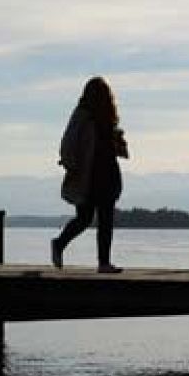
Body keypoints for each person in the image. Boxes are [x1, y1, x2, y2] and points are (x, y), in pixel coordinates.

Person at [52, 77, 128, 273]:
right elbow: (68, 142)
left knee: (106, 219)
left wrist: (119, 144)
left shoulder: (108, 118)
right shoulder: (82, 115)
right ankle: (59, 243)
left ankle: (104, 262)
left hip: (108, 172)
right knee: (85, 218)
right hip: (89, 174)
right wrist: (70, 164)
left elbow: (109, 143)